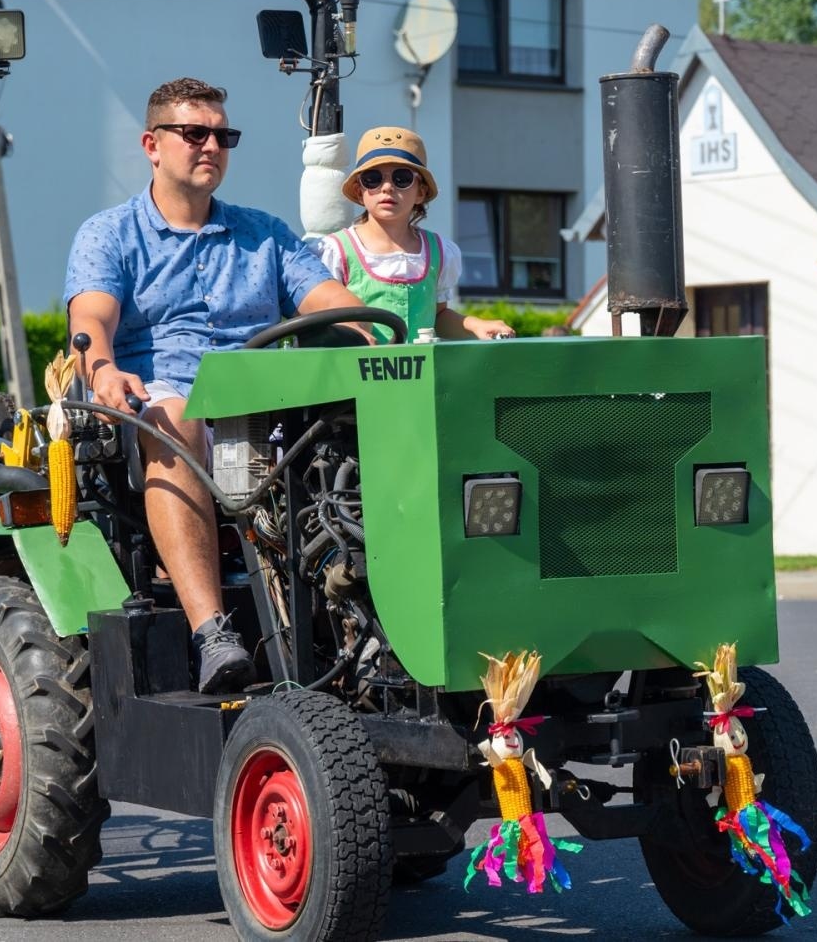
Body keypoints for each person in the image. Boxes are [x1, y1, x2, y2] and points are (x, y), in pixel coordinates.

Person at [63, 77, 369, 694]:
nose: (211, 146)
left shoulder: (265, 234)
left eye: (223, 136)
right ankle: (213, 633)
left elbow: (329, 301)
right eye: (194, 133)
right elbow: (91, 320)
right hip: (160, 401)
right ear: (152, 145)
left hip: (266, 404)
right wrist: (103, 369)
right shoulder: (110, 234)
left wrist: (366, 330)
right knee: (176, 416)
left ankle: (368, 626)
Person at [315, 126, 513, 343]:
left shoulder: (439, 251)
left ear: (421, 192)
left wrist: (474, 325)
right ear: (359, 191)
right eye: (373, 178)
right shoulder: (336, 251)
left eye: (402, 178)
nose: (387, 187)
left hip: (420, 365)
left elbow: (438, 316)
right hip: (358, 364)